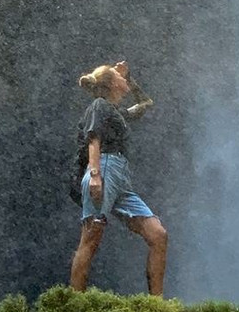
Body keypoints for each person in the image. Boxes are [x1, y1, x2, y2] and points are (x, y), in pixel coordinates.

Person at [69, 60, 168, 295]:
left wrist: (130, 79)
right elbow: (94, 139)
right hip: (103, 168)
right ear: (113, 84)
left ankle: (156, 305)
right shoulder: (99, 106)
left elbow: (146, 103)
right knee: (91, 236)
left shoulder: (116, 113)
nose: (123, 78)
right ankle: (75, 302)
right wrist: (94, 175)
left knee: (158, 235)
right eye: (119, 76)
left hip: (120, 176)